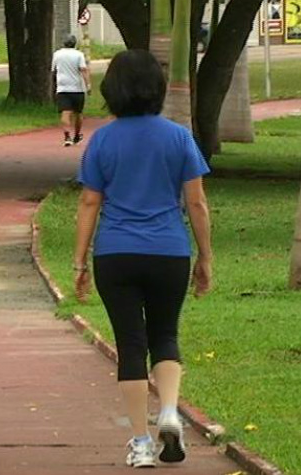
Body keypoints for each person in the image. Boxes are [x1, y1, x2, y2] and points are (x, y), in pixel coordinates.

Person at [73, 50, 212, 468]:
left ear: (112, 90)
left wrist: (79, 261)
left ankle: (140, 443)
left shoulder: (103, 139)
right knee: (165, 335)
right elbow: (197, 203)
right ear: (158, 89)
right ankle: (169, 411)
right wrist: (205, 257)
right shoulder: (178, 137)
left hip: (116, 253)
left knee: (131, 345)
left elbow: (89, 201)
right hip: (169, 251)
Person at [51, 34, 92, 147]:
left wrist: (54, 85)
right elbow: (83, 70)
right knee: (78, 113)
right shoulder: (79, 55)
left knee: (65, 112)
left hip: (63, 88)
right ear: (75, 43)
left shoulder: (57, 54)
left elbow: (53, 70)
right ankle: (77, 135)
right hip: (77, 88)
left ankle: (67, 135)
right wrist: (88, 85)